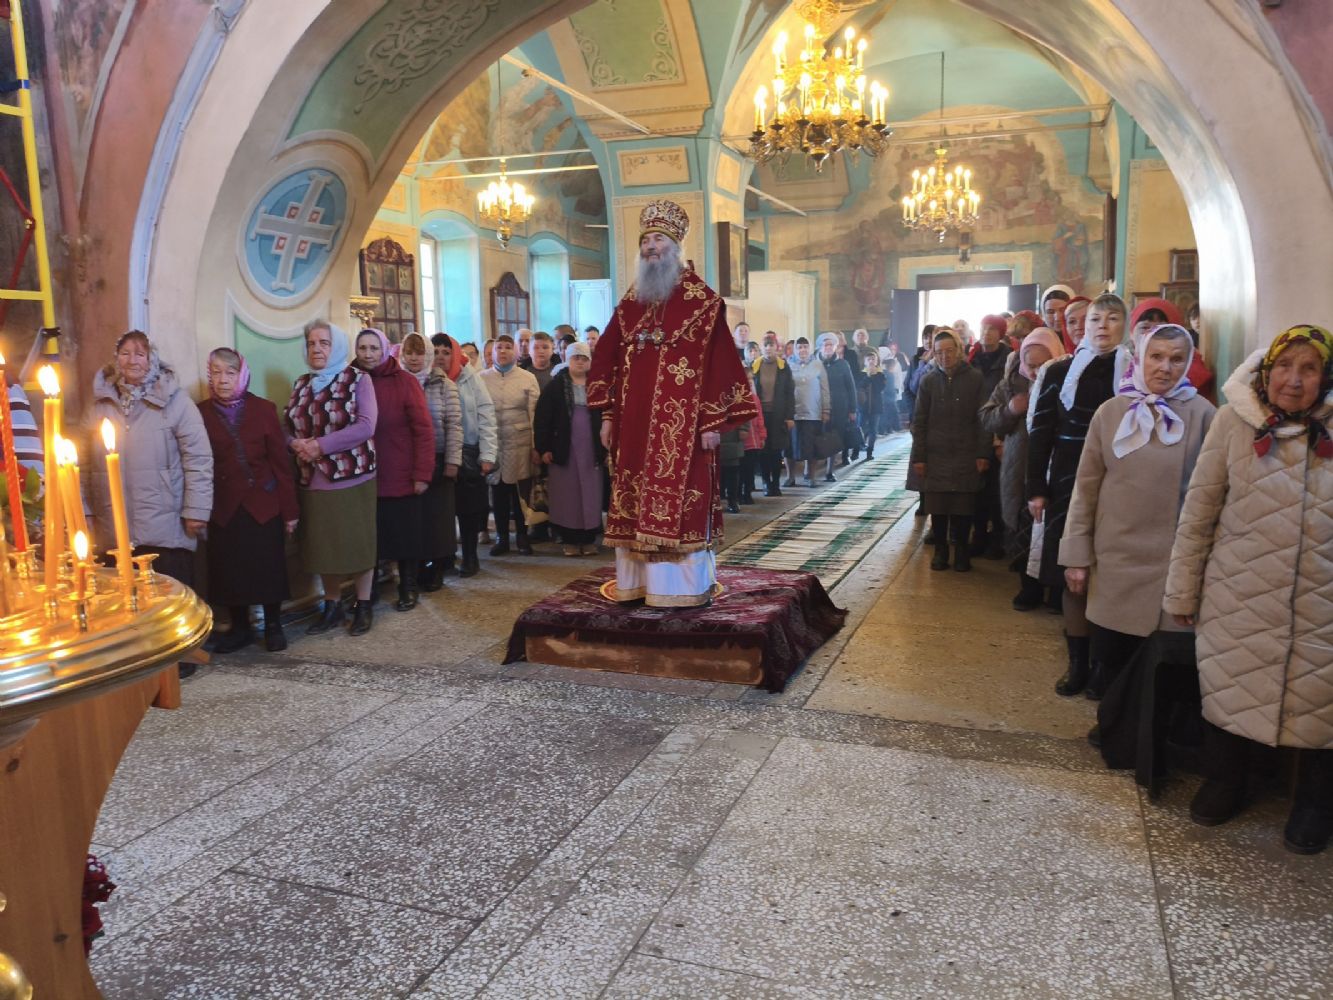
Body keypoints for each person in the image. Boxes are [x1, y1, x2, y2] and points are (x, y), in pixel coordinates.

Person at [1164, 325, 1333, 854]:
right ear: (1266, 371)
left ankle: (1315, 803)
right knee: (1230, 687)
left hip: (1322, 602)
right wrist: (1182, 591)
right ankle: (1226, 781)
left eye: (1309, 369)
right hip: (1237, 592)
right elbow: (1199, 511)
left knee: (1323, 703)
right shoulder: (1234, 422)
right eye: (1284, 366)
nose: (1294, 380)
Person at [587, 198, 758, 607]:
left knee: (682, 503)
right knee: (631, 500)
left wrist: (712, 422)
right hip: (632, 427)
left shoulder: (703, 303)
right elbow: (607, 359)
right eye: (646, 240)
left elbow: (720, 364)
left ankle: (678, 589)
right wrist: (607, 414)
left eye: (659, 239)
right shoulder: (630, 303)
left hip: (685, 430)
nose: (650, 246)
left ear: (676, 247)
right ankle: (636, 584)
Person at [1059, 324, 1215, 700]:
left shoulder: (1204, 416)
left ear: (1188, 363)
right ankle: (1113, 725)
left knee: (1161, 675)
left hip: (1171, 565)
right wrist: (1077, 556)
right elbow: (1086, 490)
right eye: (1156, 357)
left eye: (1176, 359)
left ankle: (1148, 733)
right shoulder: (1111, 413)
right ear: (1141, 358)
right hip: (1115, 561)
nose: (1165, 367)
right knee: (1113, 663)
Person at [1027, 293, 1128, 695]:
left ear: (1124, 325)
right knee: (1073, 575)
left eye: (1112, 319)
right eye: (1096, 320)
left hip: (1119, 487)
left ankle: (1103, 665)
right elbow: (1041, 432)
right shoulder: (1059, 372)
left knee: (1110, 576)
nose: (1102, 327)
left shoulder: (1135, 372)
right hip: (1067, 484)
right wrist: (1036, 488)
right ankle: (1077, 663)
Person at [87, 330, 212, 588]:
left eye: (140, 354)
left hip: (165, 530)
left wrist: (197, 510)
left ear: (151, 359)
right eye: (125, 353)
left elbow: (198, 458)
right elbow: (83, 464)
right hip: (114, 531)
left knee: (168, 602)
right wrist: (86, 511)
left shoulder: (176, 402)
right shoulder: (100, 406)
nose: (132, 360)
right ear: (116, 359)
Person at [198, 347, 299, 654]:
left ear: (241, 375)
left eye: (230, 373)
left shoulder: (263, 409)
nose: (223, 380)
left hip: (263, 503)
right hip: (224, 506)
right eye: (216, 372)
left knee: (268, 566)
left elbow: (281, 464)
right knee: (230, 570)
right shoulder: (200, 413)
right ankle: (240, 628)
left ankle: (273, 625)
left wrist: (290, 511)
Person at [285, 320, 378, 636]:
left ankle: (363, 604)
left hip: (351, 476)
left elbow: (366, 425)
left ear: (336, 346)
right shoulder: (301, 383)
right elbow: (287, 424)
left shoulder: (358, 379)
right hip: (312, 479)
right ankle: (333, 605)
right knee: (323, 547)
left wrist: (320, 446)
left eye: (324, 343)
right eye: (311, 343)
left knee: (358, 543)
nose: (317, 349)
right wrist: (294, 443)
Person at [981, 327, 1066, 611]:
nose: (1035, 371)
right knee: (1023, 528)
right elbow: (986, 418)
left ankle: (1056, 590)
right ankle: (1028, 588)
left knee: (1054, 526)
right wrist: (1010, 410)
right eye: (1030, 365)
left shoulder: (1067, 380)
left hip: (1055, 467)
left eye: (1043, 365)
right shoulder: (1011, 383)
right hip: (1018, 469)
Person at [354, 328, 433, 613]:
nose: (368, 354)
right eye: (362, 348)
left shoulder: (405, 381)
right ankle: (368, 590)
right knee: (368, 535)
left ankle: (408, 586)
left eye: (374, 348)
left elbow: (423, 430)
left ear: (385, 349)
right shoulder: (349, 379)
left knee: (404, 534)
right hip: (362, 473)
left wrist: (422, 473)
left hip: (399, 471)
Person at [911, 327, 991, 572]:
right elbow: (919, 421)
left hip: (967, 451)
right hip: (935, 452)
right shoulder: (928, 380)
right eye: (939, 352)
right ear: (934, 354)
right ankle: (941, 550)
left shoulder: (975, 378)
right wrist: (919, 457)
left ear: (959, 349)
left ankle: (962, 552)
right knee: (938, 505)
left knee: (963, 506)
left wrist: (983, 452)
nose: (944, 356)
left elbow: (983, 419)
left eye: (949, 350)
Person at [400, 332, 461, 590]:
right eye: (409, 353)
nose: (414, 358)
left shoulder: (443, 384)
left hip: (438, 456)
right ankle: (414, 571)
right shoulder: (398, 382)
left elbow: (454, 424)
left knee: (438, 518)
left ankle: (437, 569)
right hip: (407, 461)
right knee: (413, 519)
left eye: (420, 353)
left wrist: (453, 461)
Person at [534, 342, 604, 556]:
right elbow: (542, 419)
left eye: (584, 358)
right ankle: (570, 540)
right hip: (564, 449)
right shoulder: (555, 386)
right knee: (567, 495)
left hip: (591, 449)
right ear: (568, 359)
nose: (580, 362)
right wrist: (544, 448)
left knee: (591, 493)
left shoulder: (597, 385)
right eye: (576, 358)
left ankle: (589, 539)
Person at [435, 334, 496, 577]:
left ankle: (470, 556)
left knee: (468, 508)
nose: (441, 357)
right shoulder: (426, 378)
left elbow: (486, 415)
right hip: (438, 453)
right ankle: (445, 556)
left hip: (468, 450)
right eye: (436, 351)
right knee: (442, 510)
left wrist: (488, 454)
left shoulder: (470, 377)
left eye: (446, 352)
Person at [479, 334, 540, 556]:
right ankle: (502, 537)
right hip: (494, 443)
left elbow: (535, 415)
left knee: (520, 493)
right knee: (498, 492)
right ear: (492, 352)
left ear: (514, 351)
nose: (503, 351)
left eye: (507, 347)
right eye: (499, 347)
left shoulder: (527, 378)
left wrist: (535, 446)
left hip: (520, 443)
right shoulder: (482, 378)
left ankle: (523, 536)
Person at [971, 314, 1014, 558]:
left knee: (997, 490)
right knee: (977, 489)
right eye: (983, 328)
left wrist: (999, 438)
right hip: (976, 429)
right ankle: (978, 536)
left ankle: (997, 538)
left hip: (999, 428)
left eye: (992, 329)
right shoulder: (972, 358)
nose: (986, 333)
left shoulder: (1009, 359)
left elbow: (1007, 397)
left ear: (1001, 333)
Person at [752, 333, 794, 497]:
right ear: (762, 348)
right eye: (766, 345)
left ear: (777, 348)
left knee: (776, 450)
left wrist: (789, 416)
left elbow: (790, 393)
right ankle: (766, 483)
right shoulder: (755, 366)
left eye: (771, 345)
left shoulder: (783, 367)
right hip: (760, 415)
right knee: (763, 450)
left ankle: (775, 483)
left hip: (779, 414)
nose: (769, 348)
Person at [786, 337, 830, 487]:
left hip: (813, 412)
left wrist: (826, 410)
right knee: (790, 447)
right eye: (799, 347)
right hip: (792, 413)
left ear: (810, 349)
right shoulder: (787, 364)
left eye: (805, 347)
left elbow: (825, 389)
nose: (802, 350)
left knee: (812, 446)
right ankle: (790, 477)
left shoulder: (818, 365)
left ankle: (811, 476)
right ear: (795, 349)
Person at [817, 332, 857, 475]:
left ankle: (829, 471)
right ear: (820, 347)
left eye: (831, 345)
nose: (828, 347)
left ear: (835, 347)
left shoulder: (843, 364)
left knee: (834, 438)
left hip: (839, 408)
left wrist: (852, 409)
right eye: (825, 345)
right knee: (819, 436)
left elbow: (851, 388)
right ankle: (812, 470)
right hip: (818, 408)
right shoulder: (814, 364)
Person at [855, 352, 885, 460]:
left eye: (873, 359)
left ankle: (869, 452)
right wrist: (868, 376)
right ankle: (857, 450)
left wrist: (873, 376)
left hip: (876, 407)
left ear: (876, 361)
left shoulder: (881, 375)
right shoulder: (861, 374)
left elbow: (880, 388)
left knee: (873, 430)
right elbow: (859, 386)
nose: (871, 361)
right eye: (869, 359)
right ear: (865, 362)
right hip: (863, 407)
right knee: (860, 428)